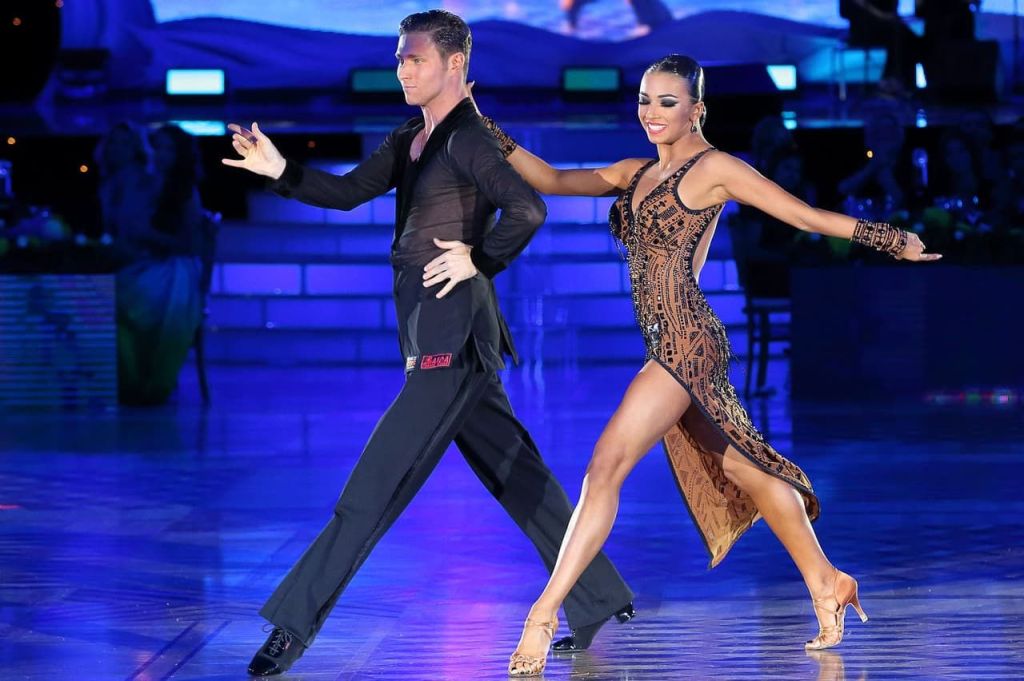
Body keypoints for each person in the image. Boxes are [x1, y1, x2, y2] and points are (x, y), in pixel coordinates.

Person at [472, 54, 939, 676]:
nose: (652, 112)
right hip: (664, 345)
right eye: (644, 99)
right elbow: (552, 180)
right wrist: (479, 122)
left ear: (697, 108)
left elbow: (803, 215)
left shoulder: (715, 168)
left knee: (606, 465)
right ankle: (828, 581)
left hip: (688, 343)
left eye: (668, 101)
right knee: (746, 471)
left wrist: (889, 239)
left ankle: (543, 614)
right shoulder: (634, 172)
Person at [221, 10, 633, 677]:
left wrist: (479, 257)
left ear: (455, 65)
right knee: (517, 474)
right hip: (446, 336)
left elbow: (528, 208)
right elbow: (351, 191)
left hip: (451, 345)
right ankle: (600, 595)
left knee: (372, 488)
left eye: (413, 58)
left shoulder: (470, 138)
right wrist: (279, 169)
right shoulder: (413, 136)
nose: (401, 69)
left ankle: (290, 628)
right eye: (399, 58)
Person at [103, 123, 205, 405]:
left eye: (168, 148)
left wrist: (147, 235)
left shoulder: (184, 191)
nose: (160, 154)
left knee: (113, 297)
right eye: (156, 146)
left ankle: (143, 382)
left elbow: (190, 245)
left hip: (174, 270)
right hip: (151, 265)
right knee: (108, 292)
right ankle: (131, 381)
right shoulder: (146, 185)